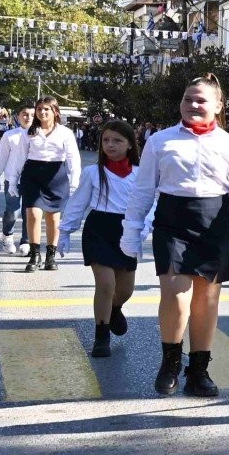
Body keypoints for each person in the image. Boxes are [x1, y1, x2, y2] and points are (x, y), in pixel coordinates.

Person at [121, 76, 229, 397]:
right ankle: (170, 362)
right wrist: (131, 230)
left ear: (218, 106)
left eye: (201, 100)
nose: (194, 105)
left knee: (206, 301)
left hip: (214, 223)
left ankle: (199, 371)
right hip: (172, 220)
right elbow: (143, 189)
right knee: (175, 294)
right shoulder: (160, 141)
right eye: (188, 99)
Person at [60, 121, 139, 359]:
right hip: (99, 230)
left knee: (125, 290)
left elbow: (151, 202)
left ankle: (115, 309)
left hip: (126, 231)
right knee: (105, 284)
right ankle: (101, 335)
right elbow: (78, 203)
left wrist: (146, 225)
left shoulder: (140, 173)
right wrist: (65, 231)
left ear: (129, 145)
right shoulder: (93, 173)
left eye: (117, 140)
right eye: (106, 140)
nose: (110, 145)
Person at [5, 97, 80, 273]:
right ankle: (34, 254)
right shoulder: (29, 133)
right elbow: (19, 159)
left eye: (46, 109)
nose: (42, 112)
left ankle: (50, 255)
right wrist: (13, 182)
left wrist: (75, 182)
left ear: (55, 111)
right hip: (32, 176)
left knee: (53, 218)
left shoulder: (65, 133)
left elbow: (73, 159)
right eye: (39, 109)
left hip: (56, 177)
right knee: (32, 214)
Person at [0, 104, 32, 254]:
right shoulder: (10, 135)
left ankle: (26, 240)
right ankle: (7, 236)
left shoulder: (40, 135)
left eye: (32, 115)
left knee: (30, 212)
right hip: (12, 179)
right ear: (18, 116)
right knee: (12, 212)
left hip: (33, 181)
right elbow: (1, 157)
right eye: (25, 114)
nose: (28, 117)